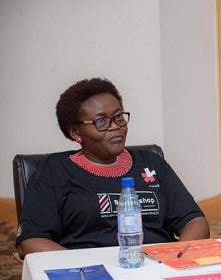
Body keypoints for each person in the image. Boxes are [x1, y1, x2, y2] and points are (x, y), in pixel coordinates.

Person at [15, 78, 210, 257]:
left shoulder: (151, 163)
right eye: (101, 121)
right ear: (75, 131)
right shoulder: (54, 170)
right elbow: (31, 241)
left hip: (156, 269)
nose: (115, 126)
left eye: (118, 117)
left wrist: (175, 258)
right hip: (91, 277)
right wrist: (82, 267)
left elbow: (194, 221)